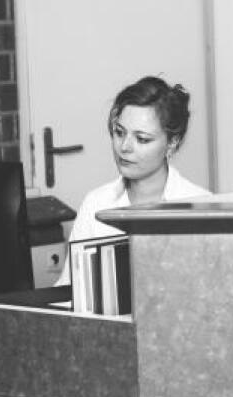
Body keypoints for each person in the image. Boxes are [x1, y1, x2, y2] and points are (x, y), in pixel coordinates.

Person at [55, 75, 210, 286]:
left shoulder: (200, 206)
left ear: (172, 142)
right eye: (120, 133)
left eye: (142, 139)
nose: (124, 147)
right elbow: (70, 289)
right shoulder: (96, 203)